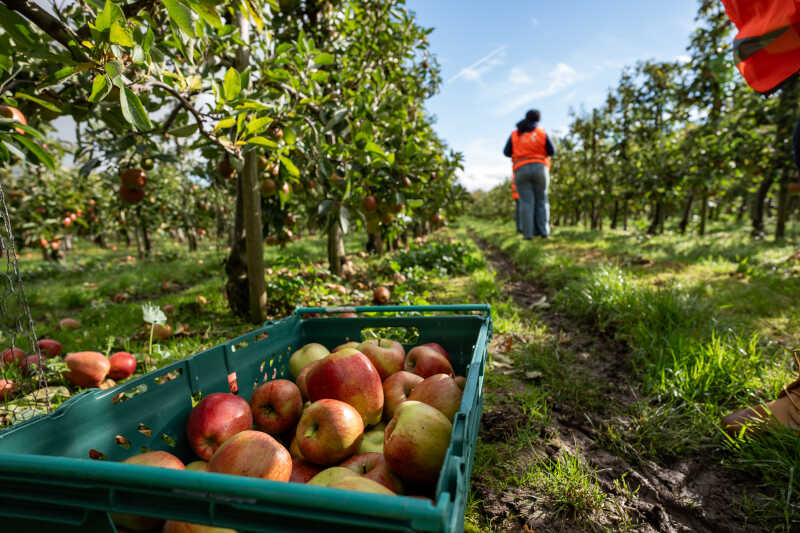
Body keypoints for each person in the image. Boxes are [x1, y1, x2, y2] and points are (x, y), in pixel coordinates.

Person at [503, 109, 556, 240]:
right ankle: (544, 232)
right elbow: (552, 151)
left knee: (526, 202)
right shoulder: (541, 133)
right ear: (538, 119)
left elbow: (506, 152)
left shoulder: (515, 134)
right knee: (542, 200)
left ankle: (528, 234)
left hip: (521, 169)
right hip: (540, 168)